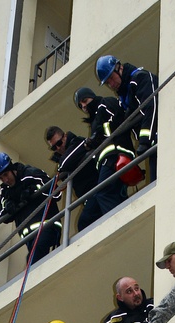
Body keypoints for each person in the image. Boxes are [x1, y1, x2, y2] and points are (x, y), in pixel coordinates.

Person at [72, 86, 129, 225]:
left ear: (92, 96)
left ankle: (116, 223)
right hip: (107, 158)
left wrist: (97, 135)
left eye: (85, 101)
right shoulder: (95, 119)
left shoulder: (105, 103)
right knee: (111, 192)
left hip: (114, 154)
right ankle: (122, 218)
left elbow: (117, 121)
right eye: (81, 105)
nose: (84, 106)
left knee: (103, 192)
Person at [95, 56, 158, 180]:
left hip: (162, 138)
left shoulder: (140, 78)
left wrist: (144, 140)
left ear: (120, 68)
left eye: (112, 78)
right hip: (153, 144)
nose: (112, 84)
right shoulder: (125, 96)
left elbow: (151, 106)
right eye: (108, 83)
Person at [0, 153, 61, 263]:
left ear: (12, 168)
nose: (5, 180)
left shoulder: (31, 174)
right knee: (37, 262)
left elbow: (56, 193)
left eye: (6, 174)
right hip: (29, 237)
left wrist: (33, 191)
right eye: (1, 178)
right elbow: (0, 214)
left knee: (33, 262)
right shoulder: (5, 191)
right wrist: (9, 206)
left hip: (47, 226)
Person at [44, 124, 99, 230]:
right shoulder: (64, 157)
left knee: (84, 224)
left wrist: (60, 171)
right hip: (89, 196)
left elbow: (65, 164)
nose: (58, 148)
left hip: (97, 189)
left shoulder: (77, 142)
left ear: (65, 136)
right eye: (54, 147)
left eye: (59, 143)